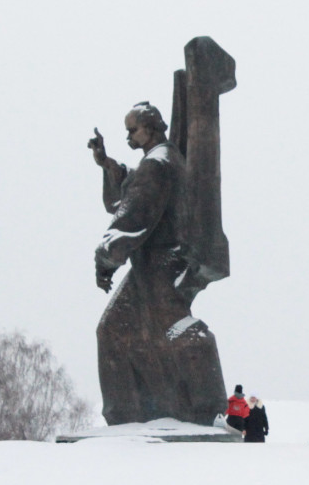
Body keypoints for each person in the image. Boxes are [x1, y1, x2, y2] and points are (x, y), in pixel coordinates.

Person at [87, 102, 227, 425]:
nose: (128, 137)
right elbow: (129, 193)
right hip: (158, 264)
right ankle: (135, 414)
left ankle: (201, 408)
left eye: (132, 130)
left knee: (137, 331)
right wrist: (107, 164)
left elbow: (133, 217)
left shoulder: (157, 165)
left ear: (151, 127)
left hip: (160, 266)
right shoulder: (163, 159)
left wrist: (106, 258)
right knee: (116, 330)